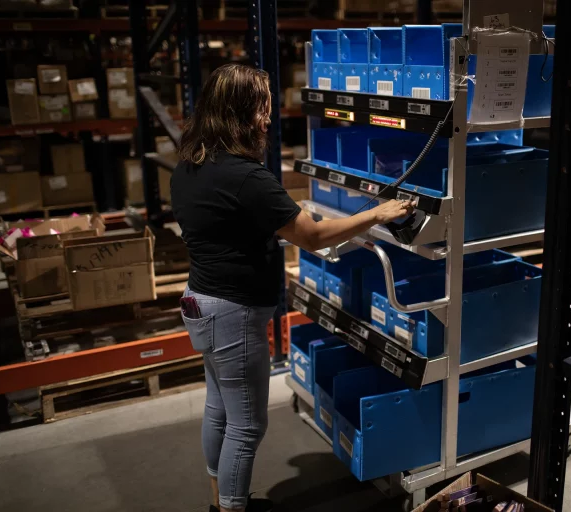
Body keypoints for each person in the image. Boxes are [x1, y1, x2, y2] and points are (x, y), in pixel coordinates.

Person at [171, 63, 413, 512]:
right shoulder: (247, 177)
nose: (267, 117)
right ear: (239, 112)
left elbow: (234, 223)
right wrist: (378, 214)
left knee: (219, 409)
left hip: (200, 301)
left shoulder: (191, 164)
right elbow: (314, 237)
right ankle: (231, 508)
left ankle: (219, 501)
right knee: (247, 425)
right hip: (233, 313)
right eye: (261, 107)